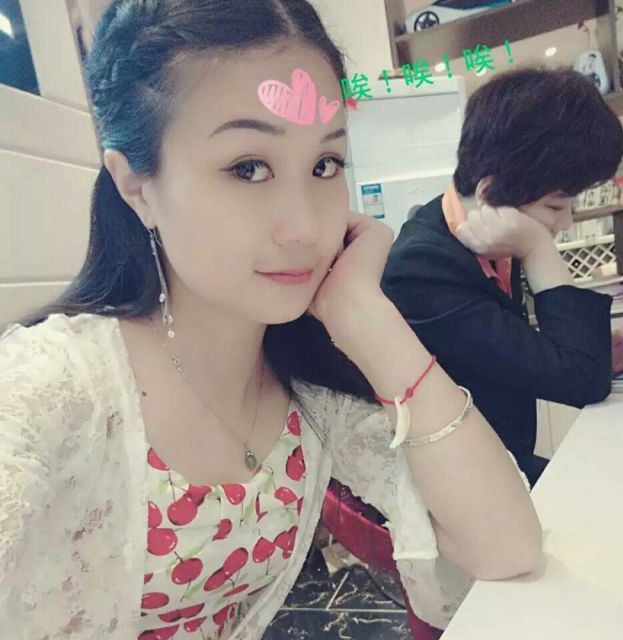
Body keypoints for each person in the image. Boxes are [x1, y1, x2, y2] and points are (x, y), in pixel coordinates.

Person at [0, 1, 542, 638]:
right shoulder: (48, 388)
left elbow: (506, 545)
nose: (306, 227)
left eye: (324, 165)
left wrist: (365, 313)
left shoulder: (303, 391)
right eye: (248, 168)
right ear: (137, 188)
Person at [382, 67, 623, 487]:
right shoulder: (422, 270)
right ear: (491, 194)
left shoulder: (488, 237)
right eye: (556, 206)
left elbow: (516, 350)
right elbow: (581, 382)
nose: (565, 222)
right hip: (463, 487)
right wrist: (538, 248)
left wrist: (598, 348)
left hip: (503, 459)